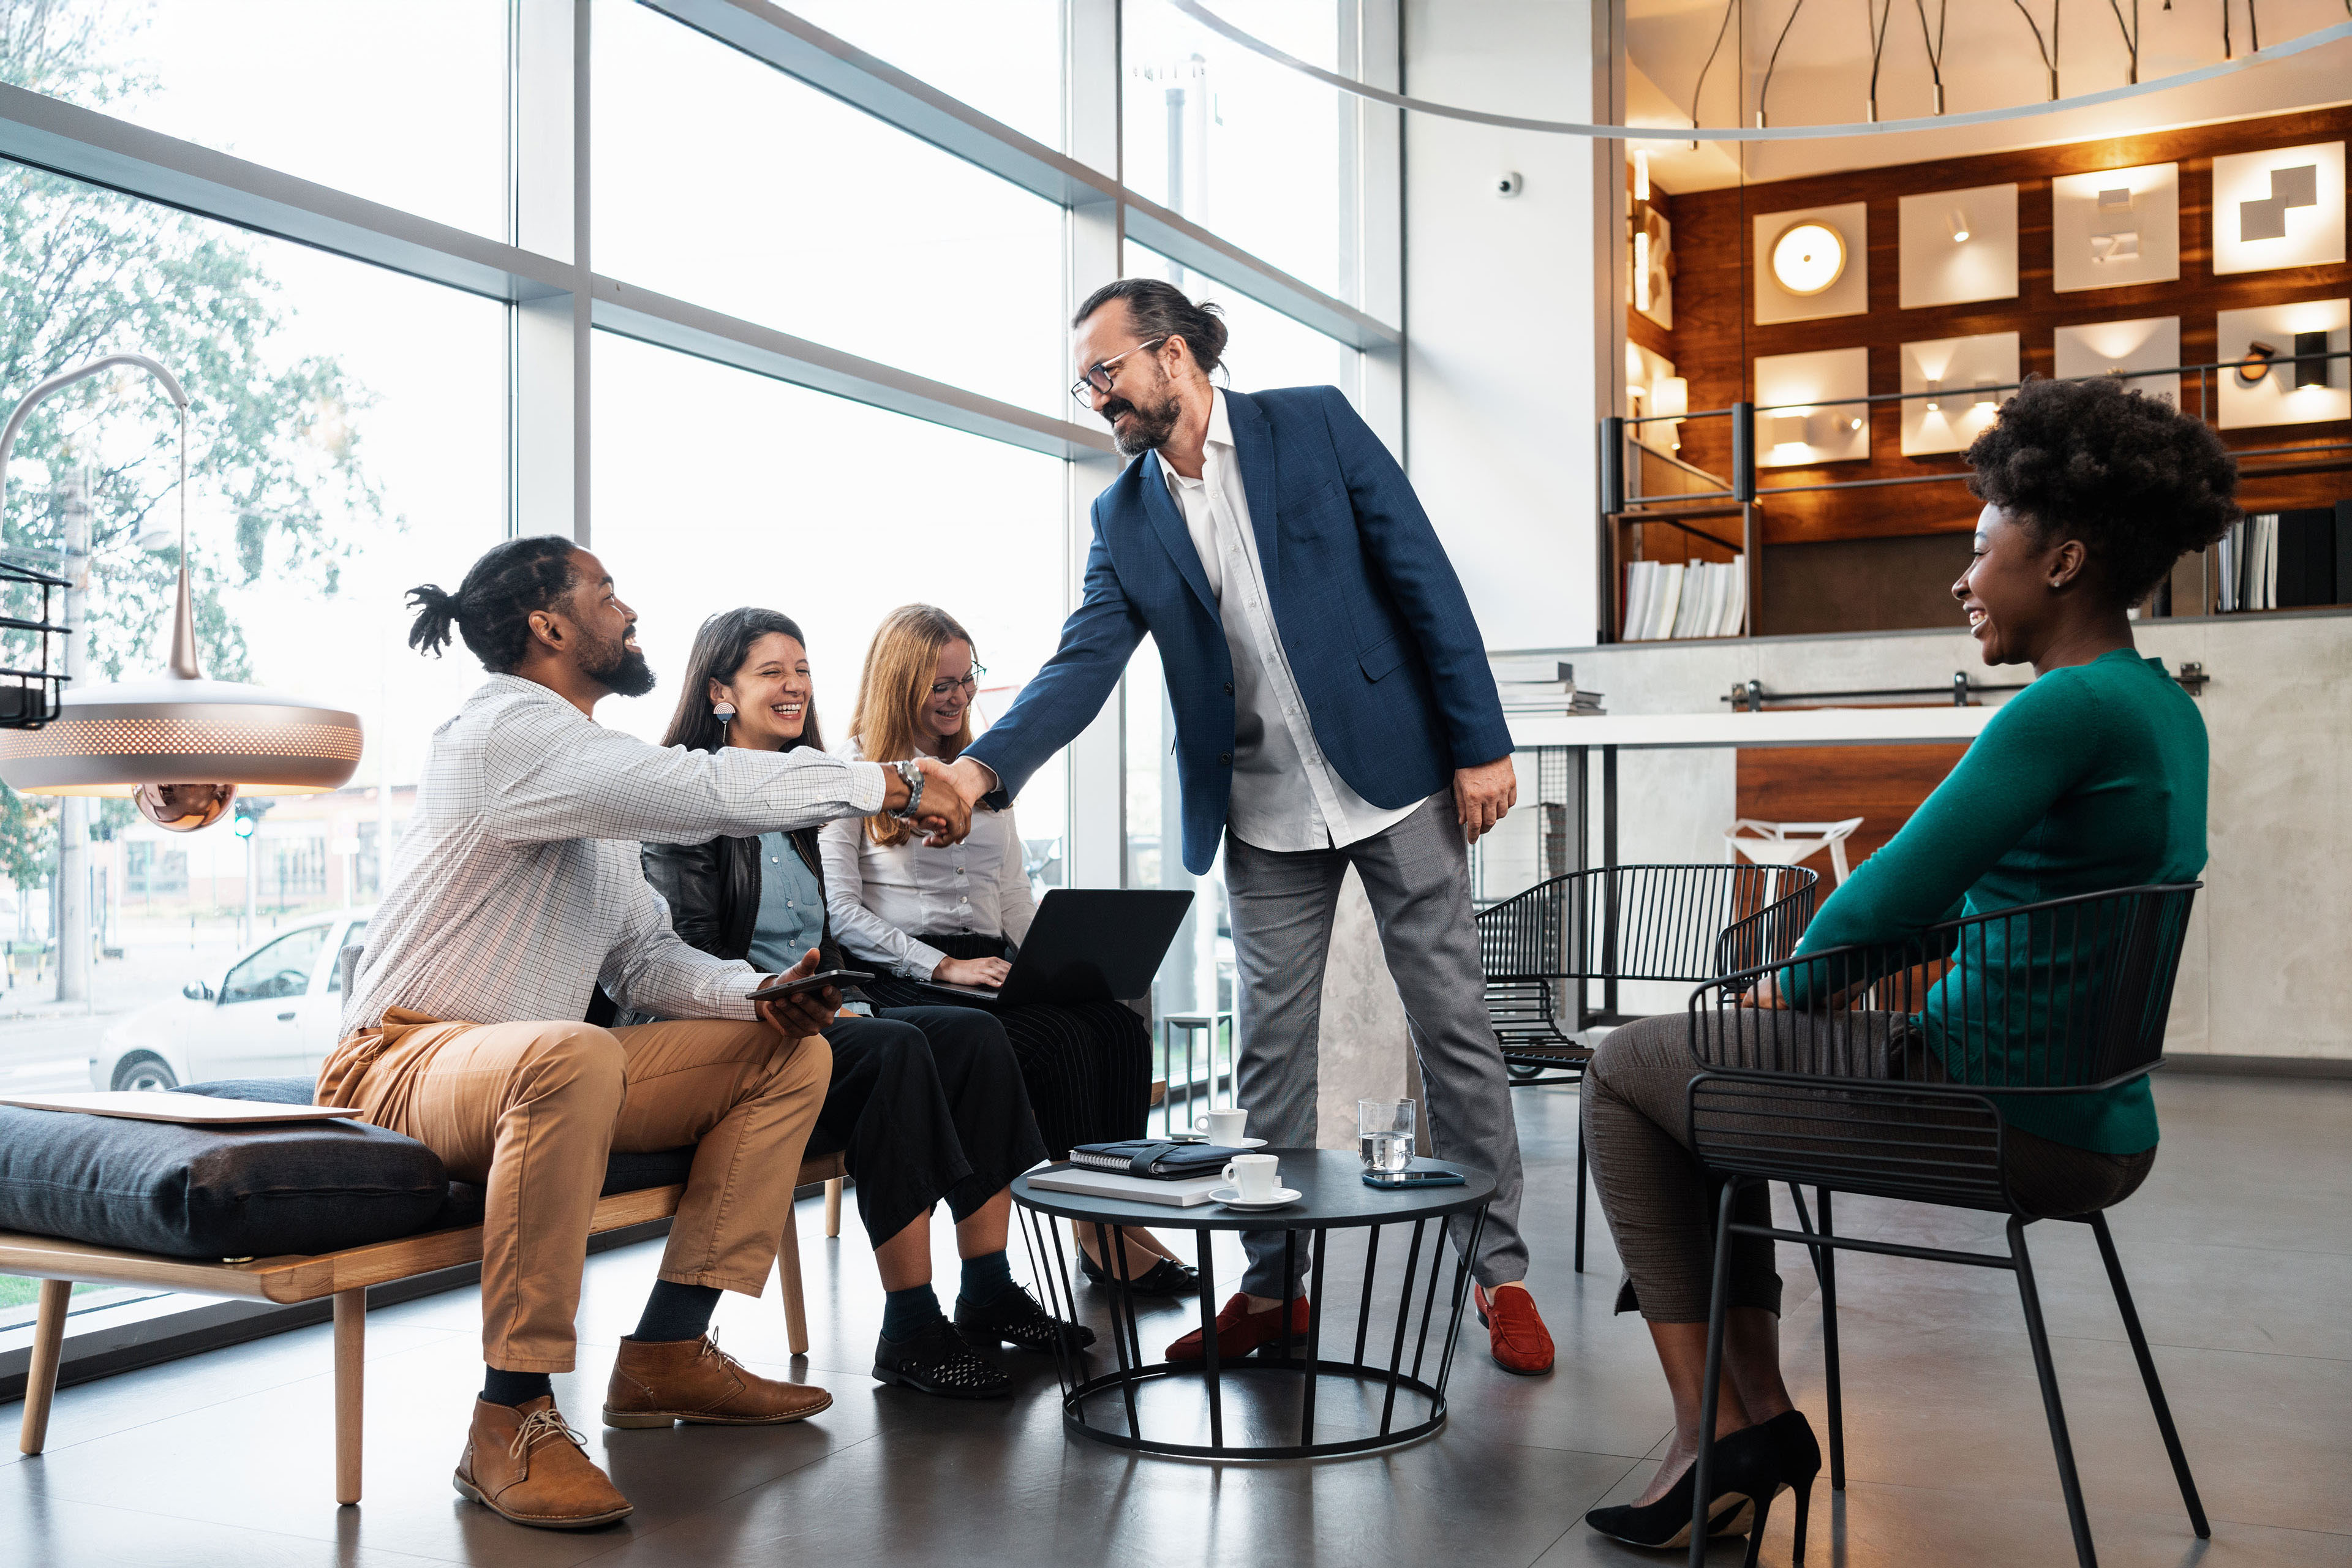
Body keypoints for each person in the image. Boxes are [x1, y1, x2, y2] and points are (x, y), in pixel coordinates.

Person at [1578, 377, 2236, 1551]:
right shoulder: (2161, 711)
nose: (1962, 578)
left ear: (2066, 562)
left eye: (1983, 551)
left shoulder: (2059, 712)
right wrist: (1821, 983)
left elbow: (1884, 901)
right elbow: (2010, 902)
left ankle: (1716, 1434)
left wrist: (1790, 986)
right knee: (1708, 1080)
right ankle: (1750, 1423)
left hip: (1991, 1111)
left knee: (1631, 1065)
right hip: (2099, 1120)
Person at [918, 279, 1554, 1374]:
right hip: (1258, 809)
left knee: (1453, 1027)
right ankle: (1271, 1292)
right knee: (1269, 1060)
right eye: (1086, 382)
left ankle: (1501, 1275)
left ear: (1173, 356)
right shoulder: (1121, 516)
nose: (1096, 395)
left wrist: (1479, 740)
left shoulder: (1312, 422)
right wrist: (980, 768)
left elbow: (1421, 578)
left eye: (1106, 370)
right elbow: (1084, 664)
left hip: (1394, 776)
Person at [327, 536, 972, 1531]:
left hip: (526, 1067)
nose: (628, 612)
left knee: (792, 1052)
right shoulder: (505, 734)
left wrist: (759, 997)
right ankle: (511, 1414)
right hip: (400, 1062)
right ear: (550, 625)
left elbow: (645, 961)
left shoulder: (588, 783)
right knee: (572, 1052)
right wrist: (887, 781)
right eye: (606, 594)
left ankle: (669, 1349)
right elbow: (706, 789)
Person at [642, 606, 1094, 1399]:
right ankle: (911, 1323)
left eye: (803, 670)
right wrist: (785, 997)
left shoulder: (809, 797)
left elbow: (827, 929)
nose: (794, 686)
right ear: (721, 692)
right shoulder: (690, 804)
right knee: (902, 1049)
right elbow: (684, 956)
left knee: (972, 1040)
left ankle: (986, 1285)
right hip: (742, 1027)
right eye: (770, 672)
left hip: (824, 1016)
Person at [821, 604, 1194, 1295]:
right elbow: (841, 913)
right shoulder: (853, 770)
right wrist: (943, 965)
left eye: (968, 679)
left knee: (1114, 1025)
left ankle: (1116, 1212)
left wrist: (1052, 963)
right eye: (942, 685)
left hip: (991, 962)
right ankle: (1096, 1231)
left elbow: (1013, 892)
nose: (960, 696)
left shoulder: (983, 766)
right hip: (907, 971)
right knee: (1055, 1041)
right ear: (901, 682)